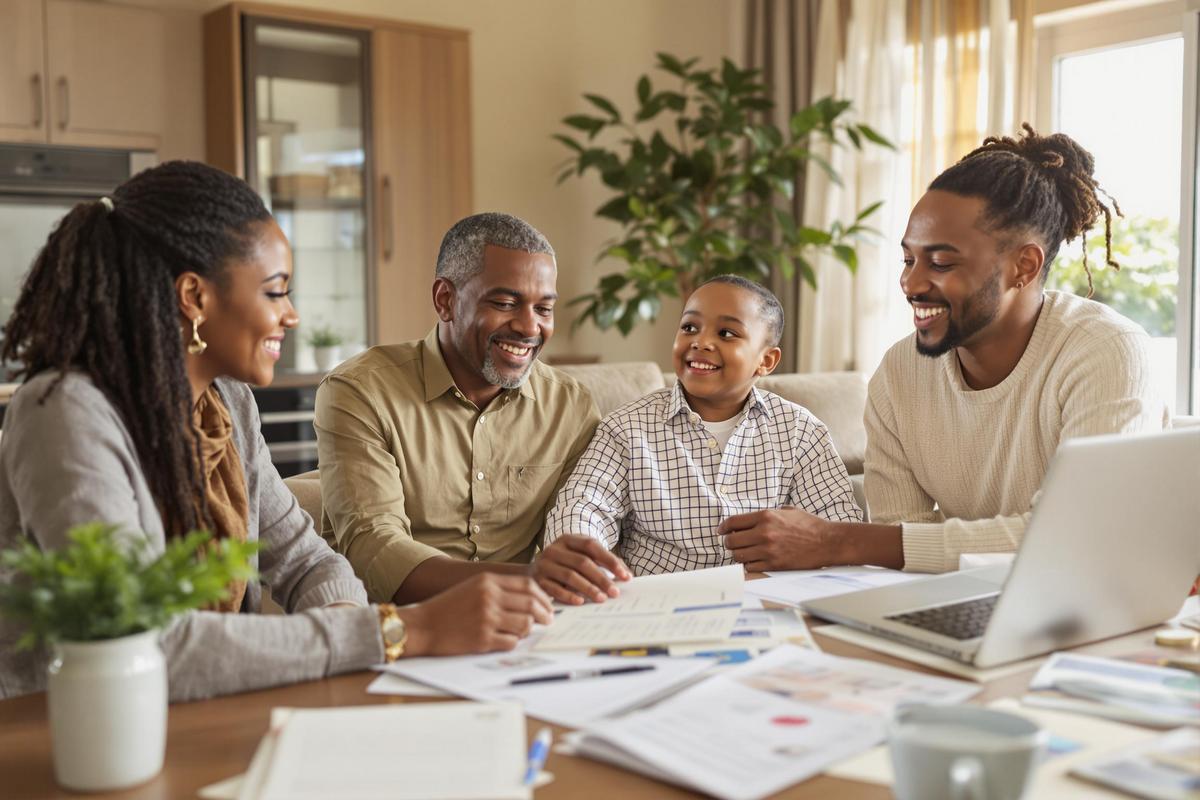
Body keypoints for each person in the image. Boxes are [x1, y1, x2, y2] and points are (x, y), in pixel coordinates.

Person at [0, 162, 552, 702]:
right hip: (67, 737)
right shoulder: (64, 414)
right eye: (274, 291)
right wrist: (399, 633)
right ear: (195, 296)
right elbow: (141, 642)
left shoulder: (227, 405)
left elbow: (306, 560)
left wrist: (350, 638)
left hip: (207, 712)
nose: (290, 316)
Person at [715, 124, 1169, 574]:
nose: (910, 284)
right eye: (908, 259)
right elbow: (904, 537)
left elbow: (1076, 535)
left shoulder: (1105, 352)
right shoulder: (898, 372)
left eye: (941, 263)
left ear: (1023, 267)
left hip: (1114, 605)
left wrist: (839, 540)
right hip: (970, 601)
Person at [314, 213, 600, 604]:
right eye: (504, 302)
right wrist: (530, 579)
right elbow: (373, 550)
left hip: (525, 625)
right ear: (445, 300)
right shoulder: (359, 392)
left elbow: (579, 527)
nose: (529, 327)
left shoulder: (570, 407)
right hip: (398, 631)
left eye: (544, 309)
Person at [534, 276, 862, 603]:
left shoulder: (802, 431)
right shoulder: (626, 429)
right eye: (690, 328)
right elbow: (583, 508)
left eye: (726, 333)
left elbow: (839, 531)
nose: (701, 342)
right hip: (661, 606)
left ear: (766, 361)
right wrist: (578, 552)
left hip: (771, 604)